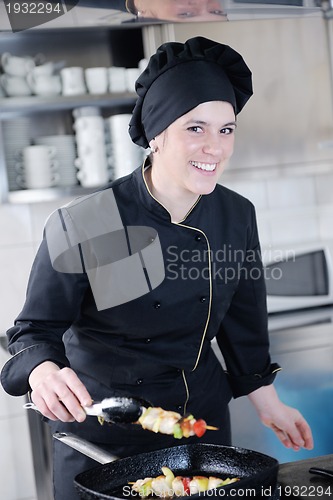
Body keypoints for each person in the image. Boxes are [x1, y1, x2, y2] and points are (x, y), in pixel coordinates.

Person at [0, 36, 313, 499]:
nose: (215, 147)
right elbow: (33, 331)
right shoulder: (86, 222)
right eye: (195, 128)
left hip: (199, 435)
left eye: (226, 129)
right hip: (103, 437)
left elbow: (244, 323)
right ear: (156, 133)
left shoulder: (235, 213)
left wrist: (266, 400)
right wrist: (43, 370)